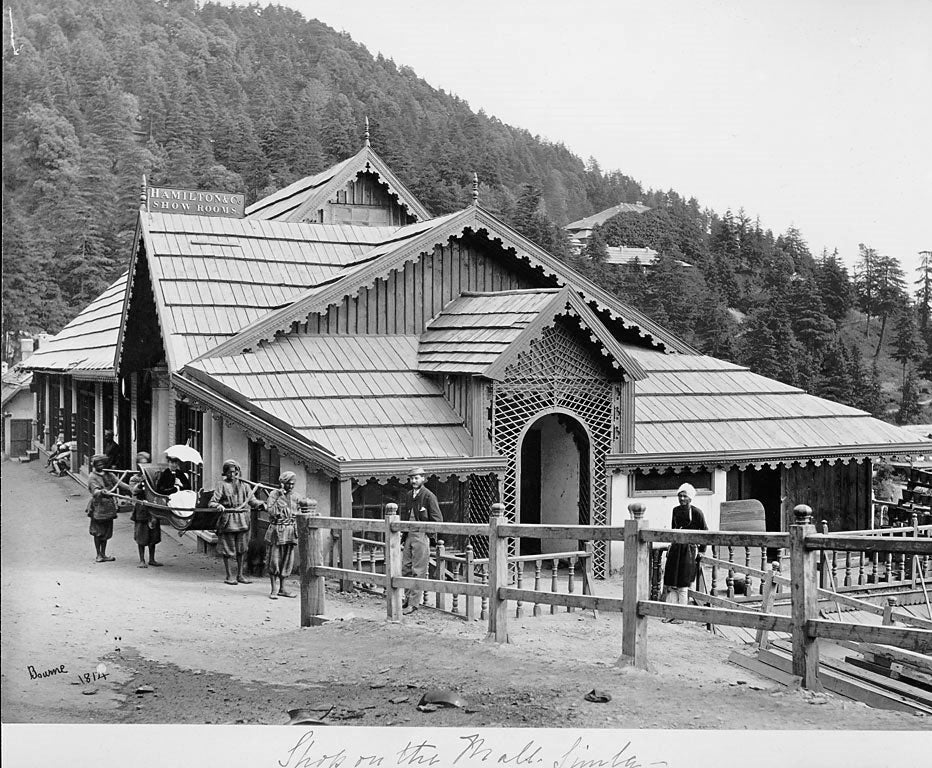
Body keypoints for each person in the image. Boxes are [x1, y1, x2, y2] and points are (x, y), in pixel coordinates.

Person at [209, 459, 263, 586]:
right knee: (228, 550)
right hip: (228, 521)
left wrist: (262, 504)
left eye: (235, 472)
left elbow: (252, 501)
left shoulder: (245, 486)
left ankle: (240, 575)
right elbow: (212, 502)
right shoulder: (222, 485)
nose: (233, 475)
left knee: (242, 549)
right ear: (225, 473)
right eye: (230, 472)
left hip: (243, 521)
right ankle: (229, 576)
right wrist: (218, 505)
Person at [661, 483, 708, 624]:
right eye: (680, 496)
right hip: (676, 549)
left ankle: (681, 616)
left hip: (689, 551)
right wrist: (671, 546)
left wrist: (702, 550)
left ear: (690, 498)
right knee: (671, 583)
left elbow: (705, 532)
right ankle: (670, 614)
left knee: (682, 583)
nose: (682, 499)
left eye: (685, 496)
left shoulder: (697, 513)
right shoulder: (675, 511)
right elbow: (673, 530)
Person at [401, 467, 442, 614]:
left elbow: (438, 520)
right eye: (411, 478)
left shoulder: (429, 496)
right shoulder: (408, 495)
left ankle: (413, 603)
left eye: (416, 478)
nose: (413, 481)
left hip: (421, 535)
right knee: (405, 568)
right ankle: (407, 599)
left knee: (418, 570)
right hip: (409, 535)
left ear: (423, 479)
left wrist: (428, 536)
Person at [87, 454, 134, 563]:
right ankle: (98, 554)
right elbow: (95, 491)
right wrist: (101, 492)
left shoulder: (109, 474)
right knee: (98, 532)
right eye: (99, 464)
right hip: (98, 506)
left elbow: (120, 484)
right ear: (94, 465)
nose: (101, 466)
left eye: (103, 464)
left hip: (109, 507)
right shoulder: (92, 477)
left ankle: (104, 554)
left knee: (106, 532)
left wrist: (132, 488)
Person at [129, 451, 168, 568]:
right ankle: (142, 560)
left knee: (153, 534)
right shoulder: (134, 478)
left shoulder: (153, 476)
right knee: (141, 535)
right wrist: (141, 483)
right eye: (142, 464)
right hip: (141, 508)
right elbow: (134, 491)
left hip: (153, 506)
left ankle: (152, 559)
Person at [264, 471, 299, 600]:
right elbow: (271, 511)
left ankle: (283, 588)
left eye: (292, 484)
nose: (291, 486)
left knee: (287, 560)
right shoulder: (274, 495)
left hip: (290, 531)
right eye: (288, 484)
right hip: (277, 530)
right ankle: (274, 588)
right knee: (274, 560)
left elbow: (300, 512)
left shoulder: (296, 497)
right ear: (282, 483)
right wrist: (281, 498)